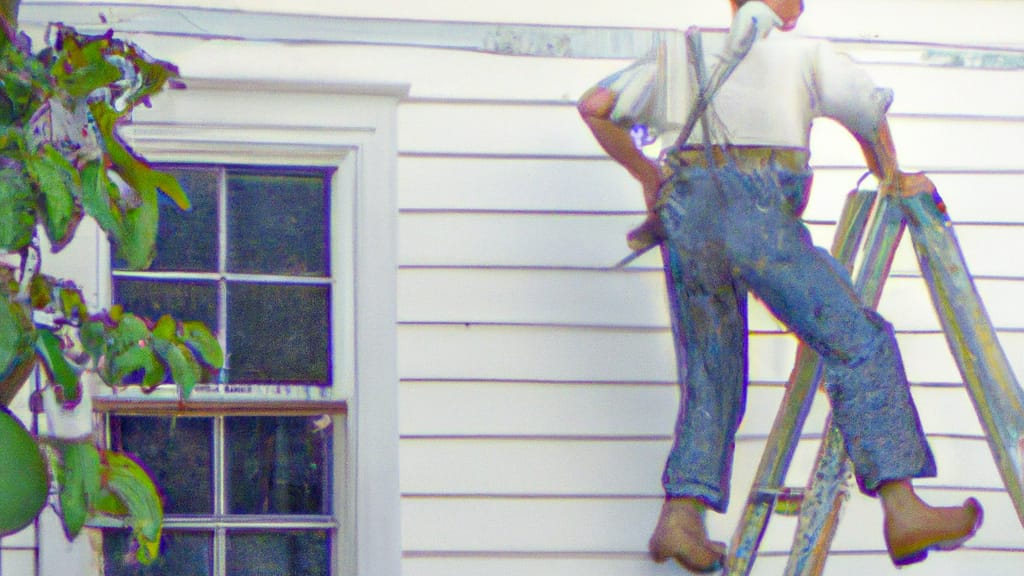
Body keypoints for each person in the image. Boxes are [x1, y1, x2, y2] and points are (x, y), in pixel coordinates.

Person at [577, 0, 983, 572]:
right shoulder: (806, 56)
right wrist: (890, 174)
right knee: (858, 341)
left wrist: (650, 179)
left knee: (711, 373)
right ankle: (903, 507)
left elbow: (595, 107)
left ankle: (681, 517)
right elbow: (867, 110)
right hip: (759, 209)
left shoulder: (682, 55)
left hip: (688, 214)